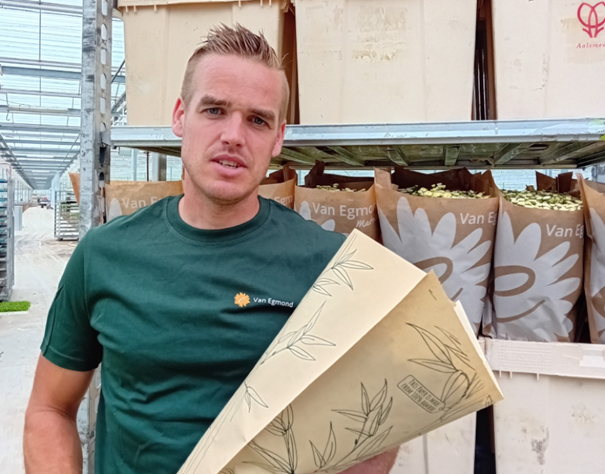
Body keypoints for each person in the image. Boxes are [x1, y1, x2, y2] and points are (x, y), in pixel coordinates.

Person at [23, 25, 398, 474]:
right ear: (181, 117)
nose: (234, 135)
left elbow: (377, 424)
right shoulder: (103, 255)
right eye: (215, 110)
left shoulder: (332, 265)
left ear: (278, 138)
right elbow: (49, 409)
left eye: (257, 120)